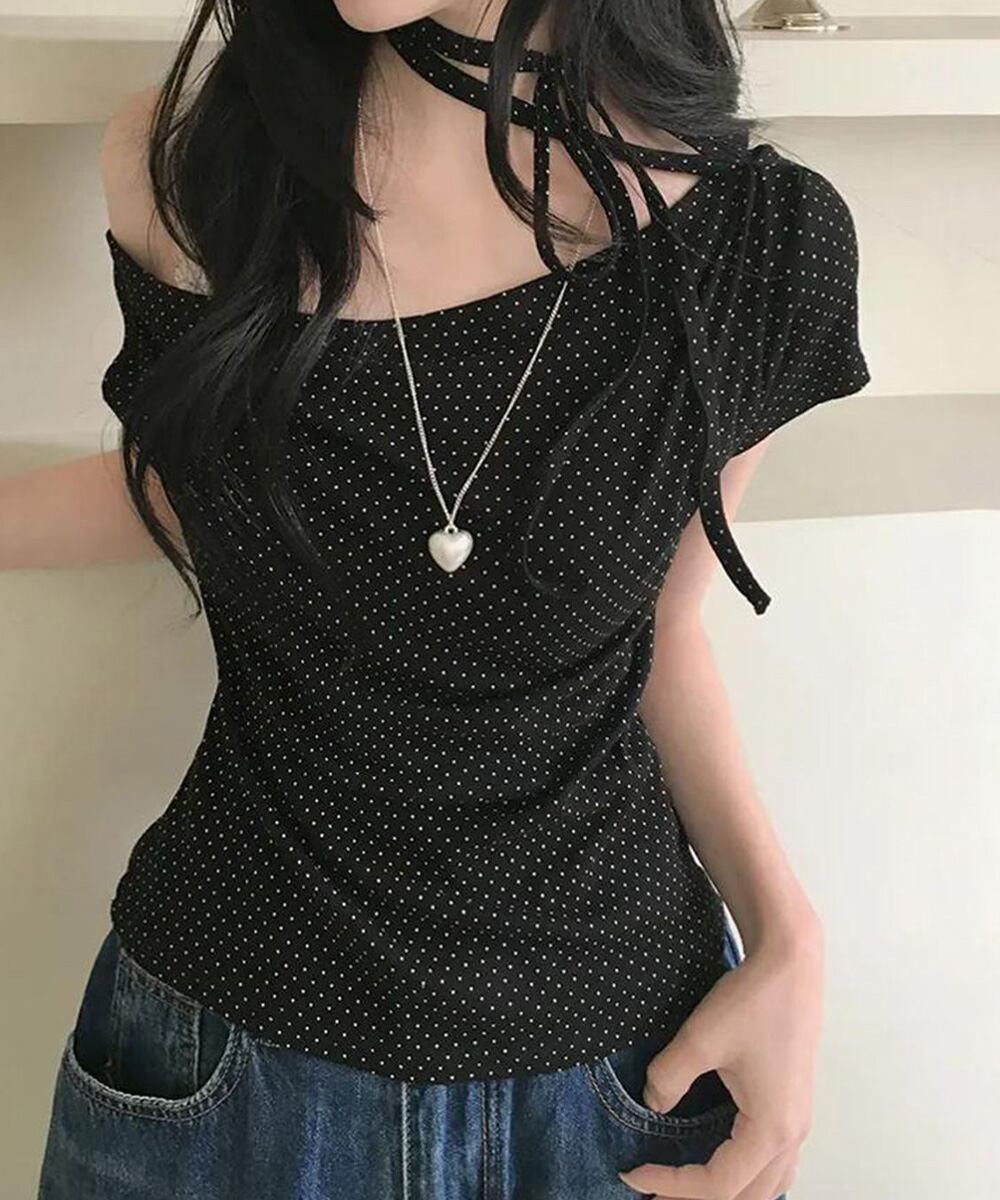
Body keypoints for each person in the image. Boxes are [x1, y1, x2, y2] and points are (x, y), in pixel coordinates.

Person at [18, 1, 871, 1197]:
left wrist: (789, 939)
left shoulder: (757, 244)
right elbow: (211, 487)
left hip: (616, 1083)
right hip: (222, 1064)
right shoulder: (194, 171)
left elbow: (662, 627)